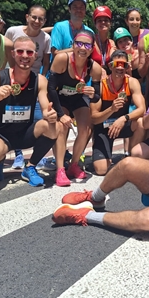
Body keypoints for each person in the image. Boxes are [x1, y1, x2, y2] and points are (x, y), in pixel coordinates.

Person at [0, 37, 61, 187]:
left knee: (55, 127)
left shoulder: (40, 80)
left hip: (24, 133)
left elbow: (45, 107)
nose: (25, 56)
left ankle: (30, 167)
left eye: (29, 52)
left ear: (35, 55)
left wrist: (50, 115)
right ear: (13, 54)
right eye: (20, 51)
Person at [48, 31, 103, 186]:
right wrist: (60, 114)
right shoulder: (62, 59)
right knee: (61, 127)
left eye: (87, 45)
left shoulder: (95, 68)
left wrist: (93, 94)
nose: (82, 48)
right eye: (79, 43)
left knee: (85, 129)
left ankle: (74, 164)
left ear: (92, 49)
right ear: (73, 45)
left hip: (77, 99)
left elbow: (97, 97)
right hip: (60, 99)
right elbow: (51, 88)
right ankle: (60, 169)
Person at [5, 5, 52, 169]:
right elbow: (7, 52)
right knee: (14, 118)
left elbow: (46, 62)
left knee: (40, 119)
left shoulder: (45, 38)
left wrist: (42, 78)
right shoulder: (13, 31)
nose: (37, 21)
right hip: (14, 80)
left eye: (41, 19)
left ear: (44, 21)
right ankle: (18, 156)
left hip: (34, 82)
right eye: (34, 17)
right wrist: (12, 74)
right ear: (27, 17)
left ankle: (36, 158)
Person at [90, 50, 146, 176]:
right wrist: (111, 109)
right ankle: (102, 151)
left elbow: (142, 109)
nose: (120, 68)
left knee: (141, 122)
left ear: (127, 67)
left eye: (124, 65)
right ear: (110, 66)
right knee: (101, 170)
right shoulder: (100, 84)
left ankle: (133, 157)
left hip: (122, 125)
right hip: (104, 128)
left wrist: (124, 118)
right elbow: (93, 118)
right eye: (117, 64)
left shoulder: (131, 82)